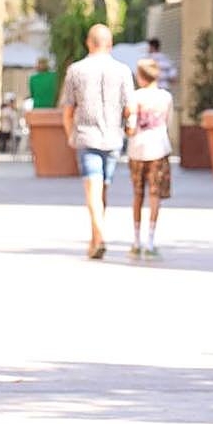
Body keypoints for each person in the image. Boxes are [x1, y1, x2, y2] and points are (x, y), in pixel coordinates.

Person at [61, 24, 134, 259]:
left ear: (88, 43)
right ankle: (95, 239)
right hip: (113, 138)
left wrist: (70, 133)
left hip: (86, 135)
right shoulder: (123, 71)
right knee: (103, 189)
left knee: (93, 189)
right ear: (110, 44)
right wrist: (128, 127)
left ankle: (98, 237)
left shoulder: (76, 70)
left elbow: (68, 109)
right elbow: (130, 107)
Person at [126, 58, 173, 257]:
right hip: (159, 149)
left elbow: (130, 125)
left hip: (137, 150)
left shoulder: (134, 97)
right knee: (155, 195)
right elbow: (168, 123)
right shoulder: (166, 97)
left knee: (138, 194)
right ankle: (151, 241)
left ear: (140, 76)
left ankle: (136, 241)